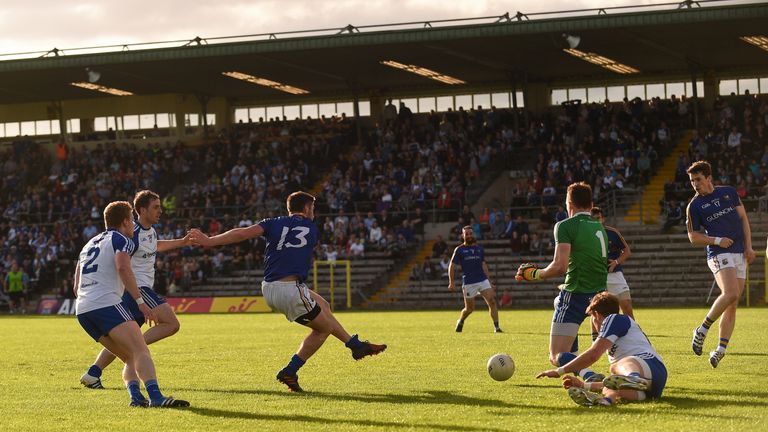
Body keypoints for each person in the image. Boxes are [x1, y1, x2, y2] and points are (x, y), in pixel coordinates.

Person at [189, 191, 386, 392]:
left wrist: (209, 240)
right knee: (323, 329)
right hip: (289, 289)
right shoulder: (311, 227)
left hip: (269, 287)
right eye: (313, 209)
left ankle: (355, 345)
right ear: (307, 208)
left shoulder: (273, 222)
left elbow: (242, 233)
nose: (314, 213)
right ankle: (290, 371)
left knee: (324, 306)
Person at [74, 201, 189, 408]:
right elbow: (123, 268)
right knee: (141, 350)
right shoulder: (122, 239)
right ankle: (156, 397)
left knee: (128, 356)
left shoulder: (90, 243)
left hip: (83, 309)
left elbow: (76, 281)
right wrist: (140, 302)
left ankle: (136, 398)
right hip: (106, 302)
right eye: (131, 220)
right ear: (126, 221)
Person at [516, 182, 607, 382]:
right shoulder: (599, 226)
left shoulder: (565, 225)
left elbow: (560, 267)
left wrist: (534, 274)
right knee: (558, 303)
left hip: (576, 293)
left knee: (556, 355)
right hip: (601, 294)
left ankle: (588, 375)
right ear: (591, 204)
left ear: (569, 204)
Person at [536, 292, 667, 407]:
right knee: (611, 385)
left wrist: (559, 371)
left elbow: (593, 355)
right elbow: (615, 380)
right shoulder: (617, 329)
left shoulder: (614, 319)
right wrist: (583, 385)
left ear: (596, 315)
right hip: (651, 386)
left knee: (615, 367)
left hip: (650, 366)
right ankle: (606, 401)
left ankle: (634, 377)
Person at [686, 161, 754, 368]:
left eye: (698, 179)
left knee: (733, 304)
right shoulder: (694, 206)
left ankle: (720, 350)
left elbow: (743, 219)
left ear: (709, 178)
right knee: (731, 293)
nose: (695, 184)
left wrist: (749, 247)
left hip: (739, 252)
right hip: (718, 252)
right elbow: (693, 237)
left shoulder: (729, 193)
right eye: (692, 181)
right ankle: (702, 329)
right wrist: (717, 240)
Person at [448, 226, 502, 333]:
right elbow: (452, 266)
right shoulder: (459, 250)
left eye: (470, 233)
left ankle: (497, 327)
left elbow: (483, 265)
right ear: (463, 236)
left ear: (474, 235)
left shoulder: (479, 249)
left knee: (492, 301)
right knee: (469, 309)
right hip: (469, 282)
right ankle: (461, 320)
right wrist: (451, 282)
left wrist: (489, 281)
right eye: (466, 234)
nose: (469, 235)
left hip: (482, 280)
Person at [591, 207, 634, 319]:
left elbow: (627, 251)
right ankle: (596, 336)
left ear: (603, 219)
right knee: (597, 311)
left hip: (616, 275)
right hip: (597, 276)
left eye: (598, 218)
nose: (597, 221)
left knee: (627, 306)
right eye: (593, 219)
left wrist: (615, 262)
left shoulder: (612, 232)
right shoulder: (587, 235)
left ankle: (633, 333)